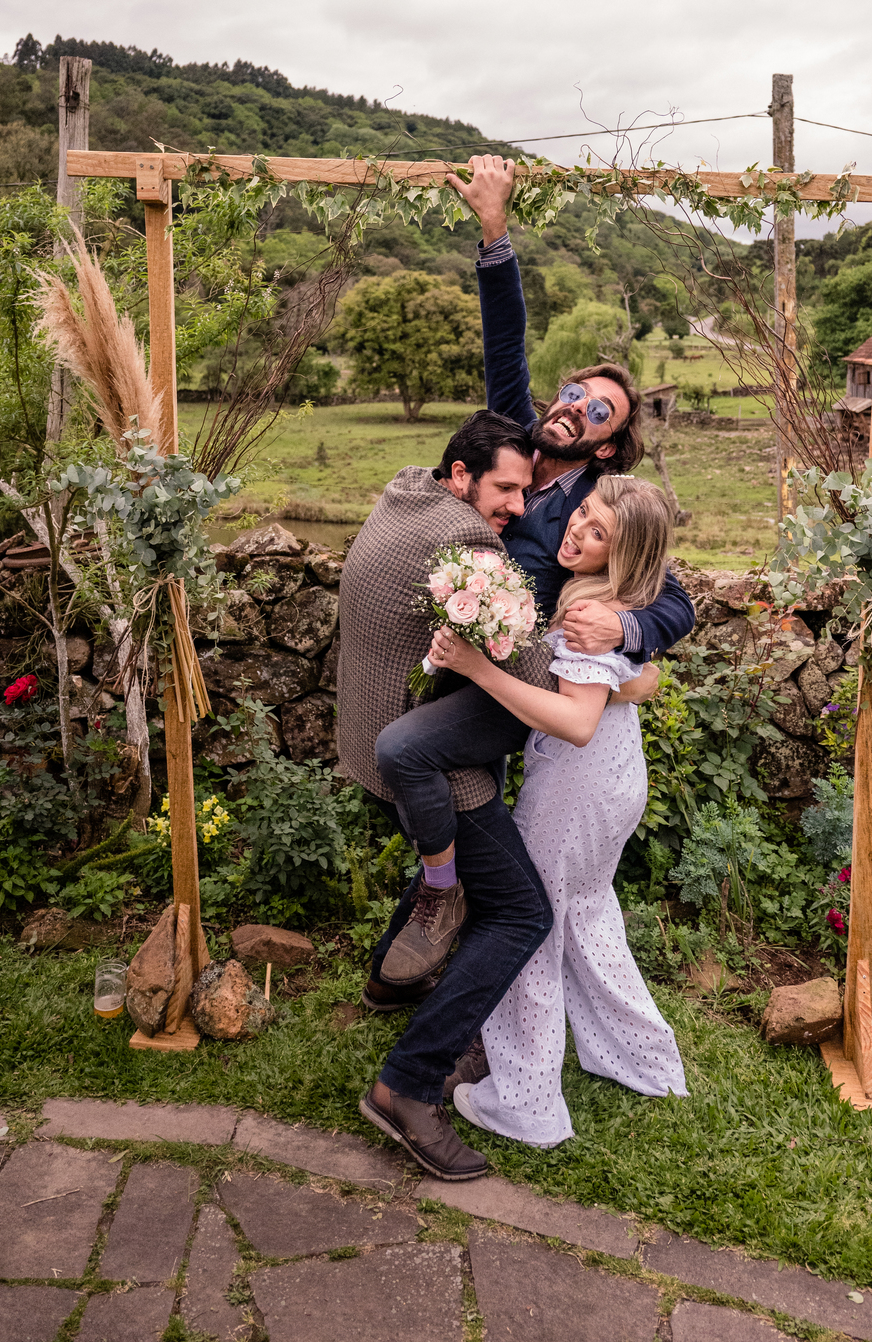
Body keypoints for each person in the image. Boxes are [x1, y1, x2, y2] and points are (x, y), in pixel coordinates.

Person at [373, 153, 695, 984]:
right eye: (575, 392)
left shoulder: (598, 501)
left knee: (447, 801)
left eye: (599, 411)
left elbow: (678, 599)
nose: (575, 407)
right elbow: (505, 343)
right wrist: (494, 234)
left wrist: (626, 626)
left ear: (609, 445)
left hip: (516, 682)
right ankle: (409, 978)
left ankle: (429, 968)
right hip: (461, 663)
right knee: (459, 817)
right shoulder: (512, 441)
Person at [429, 475, 688, 1146]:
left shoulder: (590, 613)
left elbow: (576, 721)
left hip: (576, 787)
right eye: (585, 514)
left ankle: (527, 1103)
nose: (577, 529)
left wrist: (479, 669)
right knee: (587, 912)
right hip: (614, 779)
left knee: (528, 927)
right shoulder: (606, 603)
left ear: (623, 556)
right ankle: (645, 1063)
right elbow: (636, 680)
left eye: (600, 533)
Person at [338, 408, 556, 1181]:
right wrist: (590, 653)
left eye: (526, 492)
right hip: (434, 767)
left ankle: (389, 980)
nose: (518, 507)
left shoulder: (404, 492)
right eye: (506, 489)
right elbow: (531, 673)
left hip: (375, 740)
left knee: (450, 876)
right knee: (520, 912)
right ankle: (408, 1085)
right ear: (461, 476)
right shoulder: (466, 538)